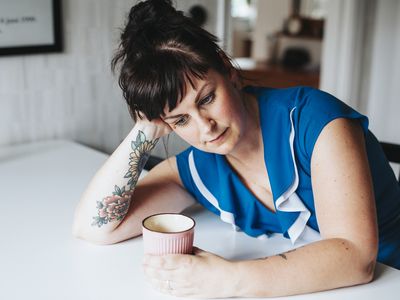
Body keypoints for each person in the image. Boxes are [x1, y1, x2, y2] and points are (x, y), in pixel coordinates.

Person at [72, 0, 400, 297]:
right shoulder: (200, 167)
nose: (205, 127)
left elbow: (356, 257)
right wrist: (144, 130)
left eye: (207, 99)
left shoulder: (317, 123)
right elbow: (96, 228)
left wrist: (229, 279)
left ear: (229, 71)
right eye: (180, 120)